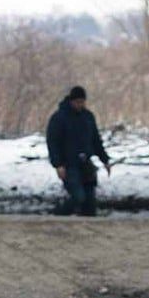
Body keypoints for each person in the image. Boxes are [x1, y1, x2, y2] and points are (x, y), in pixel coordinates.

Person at [45, 85, 110, 217]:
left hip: (86, 163)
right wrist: (58, 164)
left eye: (82, 102)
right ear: (71, 101)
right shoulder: (59, 118)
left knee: (90, 204)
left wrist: (105, 160)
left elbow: (96, 140)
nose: (80, 105)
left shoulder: (88, 117)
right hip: (69, 164)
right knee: (78, 197)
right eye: (77, 102)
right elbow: (53, 143)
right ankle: (56, 216)